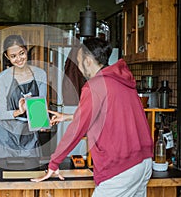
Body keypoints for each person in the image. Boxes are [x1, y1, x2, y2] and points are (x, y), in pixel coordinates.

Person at [31, 37, 153, 197]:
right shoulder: (122, 80)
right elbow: (108, 114)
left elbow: (77, 129)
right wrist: (67, 117)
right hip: (143, 163)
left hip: (121, 169)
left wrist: (54, 163)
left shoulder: (95, 86)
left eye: (79, 61)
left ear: (88, 61)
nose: (78, 67)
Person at [0, 35, 47, 158]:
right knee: (6, 174)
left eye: (21, 53)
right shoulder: (3, 78)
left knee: (31, 172)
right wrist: (19, 111)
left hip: (29, 135)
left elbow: (40, 107)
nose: (19, 59)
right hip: (6, 135)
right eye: (13, 56)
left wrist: (42, 122)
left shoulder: (40, 74)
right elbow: (1, 113)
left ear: (26, 50)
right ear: (7, 57)